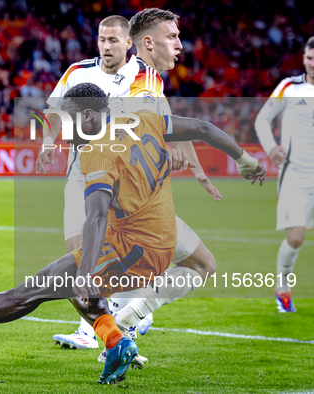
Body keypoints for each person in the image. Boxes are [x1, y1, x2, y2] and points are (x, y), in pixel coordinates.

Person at [0, 82, 265, 384]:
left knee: (34, 290)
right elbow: (203, 128)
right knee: (202, 265)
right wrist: (246, 160)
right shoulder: (142, 118)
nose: (66, 129)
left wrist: (86, 271)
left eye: (69, 120)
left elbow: (97, 217)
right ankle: (118, 338)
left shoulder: (96, 153)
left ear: (87, 114)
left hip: (134, 247)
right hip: (169, 229)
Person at [40, 9, 220, 363]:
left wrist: (192, 163)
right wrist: (49, 141)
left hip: (128, 180)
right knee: (80, 250)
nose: (106, 46)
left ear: (129, 43)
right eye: (101, 40)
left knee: (103, 253)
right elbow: (53, 112)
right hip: (83, 172)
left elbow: (167, 119)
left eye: (113, 40)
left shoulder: (144, 75)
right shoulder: (78, 72)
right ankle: (121, 321)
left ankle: (109, 329)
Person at [255, 36, 314, 313]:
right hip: (296, 173)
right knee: (295, 237)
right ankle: (283, 288)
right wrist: (271, 147)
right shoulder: (289, 87)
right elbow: (262, 119)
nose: (313, 64)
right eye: (310, 58)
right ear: (304, 59)